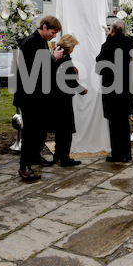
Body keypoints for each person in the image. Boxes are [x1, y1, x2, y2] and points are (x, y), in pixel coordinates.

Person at [13, 16, 64, 181]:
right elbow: (36, 66)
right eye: (52, 32)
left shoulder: (42, 42)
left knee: (41, 129)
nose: (54, 36)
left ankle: (35, 155)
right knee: (31, 131)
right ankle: (24, 166)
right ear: (44, 27)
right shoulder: (31, 42)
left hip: (40, 95)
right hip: (30, 96)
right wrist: (53, 58)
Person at [96, 19, 133, 163]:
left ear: (111, 31)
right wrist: (111, 35)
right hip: (124, 88)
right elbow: (123, 39)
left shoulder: (108, 45)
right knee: (123, 123)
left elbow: (99, 63)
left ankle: (117, 154)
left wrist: (108, 38)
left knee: (114, 123)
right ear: (124, 31)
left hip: (111, 89)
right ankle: (127, 153)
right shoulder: (128, 43)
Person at [52, 34, 87, 167]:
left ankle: (57, 155)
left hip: (56, 97)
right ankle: (65, 158)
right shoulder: (65, 59)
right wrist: (82, 90)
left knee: (60, 129)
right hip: (64, 98)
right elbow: (70, 81)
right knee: (66, 129)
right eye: (73, 47)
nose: (73, 50)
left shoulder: (56, 56)